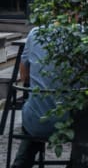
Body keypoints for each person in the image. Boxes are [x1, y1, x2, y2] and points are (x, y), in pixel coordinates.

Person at [11, 27, 69, 168]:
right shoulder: (86, 35)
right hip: (74, 123)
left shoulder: (35, 33)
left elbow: (24, 76)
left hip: (38, 121)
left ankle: (21, 164)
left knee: (38, 109)